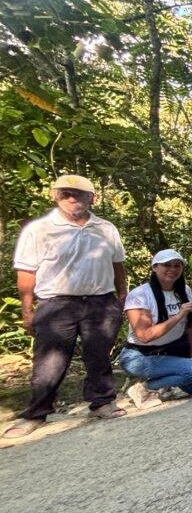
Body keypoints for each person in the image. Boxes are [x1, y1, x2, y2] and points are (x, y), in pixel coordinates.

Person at [5, 175, 128, 437]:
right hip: (57, 303)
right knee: (49, 362)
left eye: (79, 194)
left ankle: (102, 402)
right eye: (65, 193)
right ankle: (36, 413)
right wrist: (27, 310)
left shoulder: (106, 228)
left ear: (92, 198)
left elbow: (118, 266)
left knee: (99, 356)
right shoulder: (39, 230)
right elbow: (26, 273)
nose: (71, 198)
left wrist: (121, 297)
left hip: (101, 302)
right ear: (55, 196)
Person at [119, 249, 192, 408]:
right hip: (139, 356)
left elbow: (190, 325)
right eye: (167, 265)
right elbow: (144, 335)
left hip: (171, 352)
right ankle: (145, 388)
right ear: (154, 268)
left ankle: (167, 385)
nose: (172, 269)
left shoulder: (184, 290)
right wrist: (178, 315)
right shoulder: (140, 294)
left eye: (177, 265)